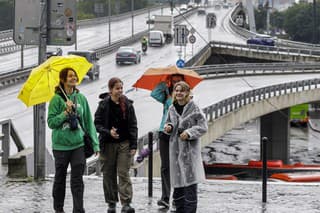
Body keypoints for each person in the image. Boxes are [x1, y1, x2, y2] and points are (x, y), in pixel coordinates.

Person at [47, 68, 100, 213]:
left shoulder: (80, 98)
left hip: (79, 145)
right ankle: (59, 209)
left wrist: (96, 144)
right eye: (70, 76)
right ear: (63, 80)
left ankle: (78, 209)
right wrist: (65, 113)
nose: (74, 78)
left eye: (75, 75)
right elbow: (51, 122)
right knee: (60, 179)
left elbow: (88, 121)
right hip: (61, 147)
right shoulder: (56, 99)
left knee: (77, 180)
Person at [94, 77, 137, 213]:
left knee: (123, 172)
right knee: (108, 174)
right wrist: (108, 132)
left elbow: (133, 126)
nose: (120, 91)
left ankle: (126, 203)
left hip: (124, 143)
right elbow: (97, 124)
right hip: (107, 144)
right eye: (117, 88)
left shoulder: (128, 105)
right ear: (110, 90)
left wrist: (134, 145)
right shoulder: (103, 105)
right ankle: (111, 203)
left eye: (121, 88)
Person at [163, 81, 208, 213]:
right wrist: (169, 127)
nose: (179, 93)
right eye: (176, 91)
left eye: (182, 91)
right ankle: (179, 209)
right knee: (177, 184)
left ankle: (190, 211)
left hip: (189, 152)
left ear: (187, 93)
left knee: (190, 184)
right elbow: (169, 123)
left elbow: (203, 127)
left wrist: (189, 133)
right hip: (175, 151)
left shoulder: (194, 108)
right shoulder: (172, 108)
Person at [151, 74, 184, 209]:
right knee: (165, 167)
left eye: (178, 81)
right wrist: (164, 83)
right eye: (173, 81)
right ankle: (165, 198)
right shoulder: (166, 94)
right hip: (164, 132)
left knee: (177, 166)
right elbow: (154, 94)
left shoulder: (185, 98)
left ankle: (177, 197)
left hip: (177, 134)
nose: (176, 83)